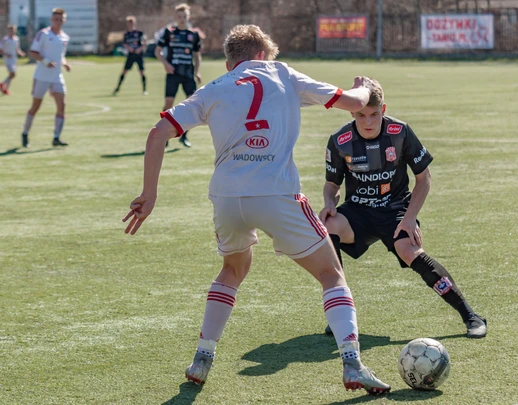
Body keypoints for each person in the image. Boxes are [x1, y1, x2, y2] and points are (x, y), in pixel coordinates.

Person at [123, 24, 392, 395]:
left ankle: (202, 357)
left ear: (232, 61)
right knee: (331, 275)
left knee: (233, 269)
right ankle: (352, 363)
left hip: (227, 198)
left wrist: (149, 194)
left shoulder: (215, 87)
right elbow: (354, 103)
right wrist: (365, 86)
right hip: (276, 193)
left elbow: (158, 133)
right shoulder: (283, 74)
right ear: (265, 56)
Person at [320, 78, 487, 339]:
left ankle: (470, 316)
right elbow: (332, 184)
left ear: (383, 110)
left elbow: (424, 178)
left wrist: (410, 219)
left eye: (374, 114)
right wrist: (329, 203)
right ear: (352, 112)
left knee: (409, 250)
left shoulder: (400, 132)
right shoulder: (339, 140)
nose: (368, 121)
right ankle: (340, 314)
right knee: (328, 229)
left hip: (395, 210)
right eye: (361, 115)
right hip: (358, 212)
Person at [21, 8, 70, 148]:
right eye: (56, 19)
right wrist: (45, 61)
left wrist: (65, 64)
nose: (58, 22)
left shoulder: (65, 37)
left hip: (57, 76)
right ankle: (25, 133)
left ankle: (56, 137)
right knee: (35, 106)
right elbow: (33, 52)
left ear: (64, 21)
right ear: (51, 20)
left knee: (62, 105)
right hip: (42, 76)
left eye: (61, 20)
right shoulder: (43, 34)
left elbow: (61, 56)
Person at [155, 3, 201, 148]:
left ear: (188, 17)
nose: (182, 19)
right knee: (169, 104)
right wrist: (166, 64)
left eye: (184, 16)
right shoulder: (169, 32)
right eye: (179, 16)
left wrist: (197, 72)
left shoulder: (194, 35)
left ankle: (184, 136)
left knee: (190, 106)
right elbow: (158, 51)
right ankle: (164, 135)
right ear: (176, 17)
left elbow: (197, 56)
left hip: (187, 74)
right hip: (173, 73)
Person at [112, 16, 148, 96]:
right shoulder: (126, 34)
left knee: (142, 72)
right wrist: (129, 48)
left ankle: (145, 89)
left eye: (132, 23)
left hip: (138, 55)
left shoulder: (139, 33)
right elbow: (124, 43)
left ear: (134, 23)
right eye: (129, 23)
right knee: (124, 71)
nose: (131, 25)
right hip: (131, 55)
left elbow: (145, 41)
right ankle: (117, 88)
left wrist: (140, 48)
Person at [1, 25, 26, 95]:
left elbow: (17, 49)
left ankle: (3, 86)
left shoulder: (16, 39)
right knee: (13, 74)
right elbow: (1, 49)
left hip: (14, 59)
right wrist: (6, 54)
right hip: (7, 59)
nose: (12, 31)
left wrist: (21, 53)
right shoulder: (5, 39)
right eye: (11, 30)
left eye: (13, 30)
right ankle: (4, 87)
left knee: (12, 75)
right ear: (8, 31)